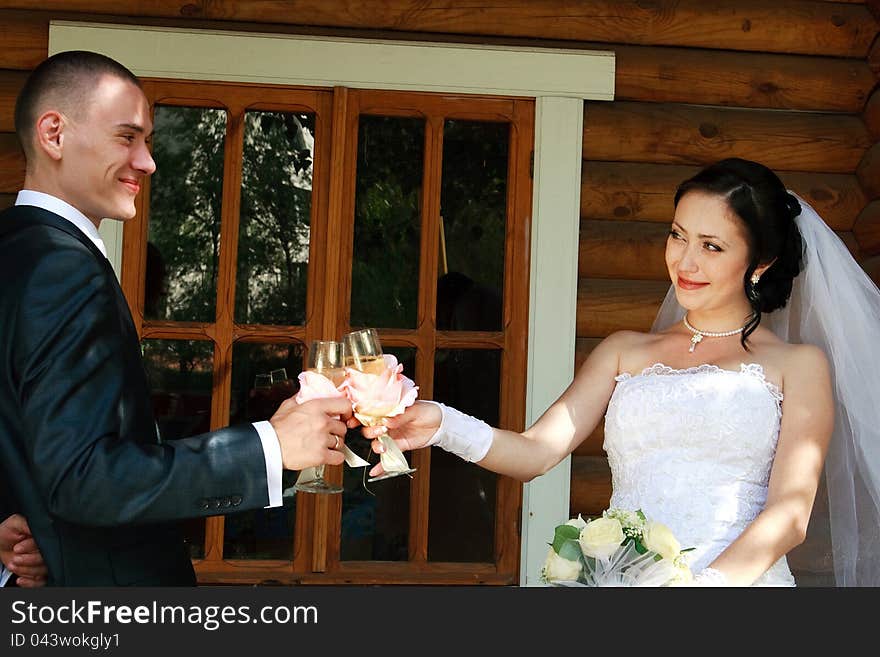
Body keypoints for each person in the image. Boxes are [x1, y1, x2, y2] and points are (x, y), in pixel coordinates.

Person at [365, 157, 880, 586]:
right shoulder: (623, 351)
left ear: (761, 261)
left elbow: (790, 517)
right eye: (678, 235)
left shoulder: (797, 365)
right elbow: (536, 452)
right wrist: (441, 424)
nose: (686, 261)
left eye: (712, 245)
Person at [0, 50, 352, 586]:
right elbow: (83, 477)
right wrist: (270, 447)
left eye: (148, 142)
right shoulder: (64, 269)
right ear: (54, 134)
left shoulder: (12, 250)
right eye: (127, 137)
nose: (148, 161)